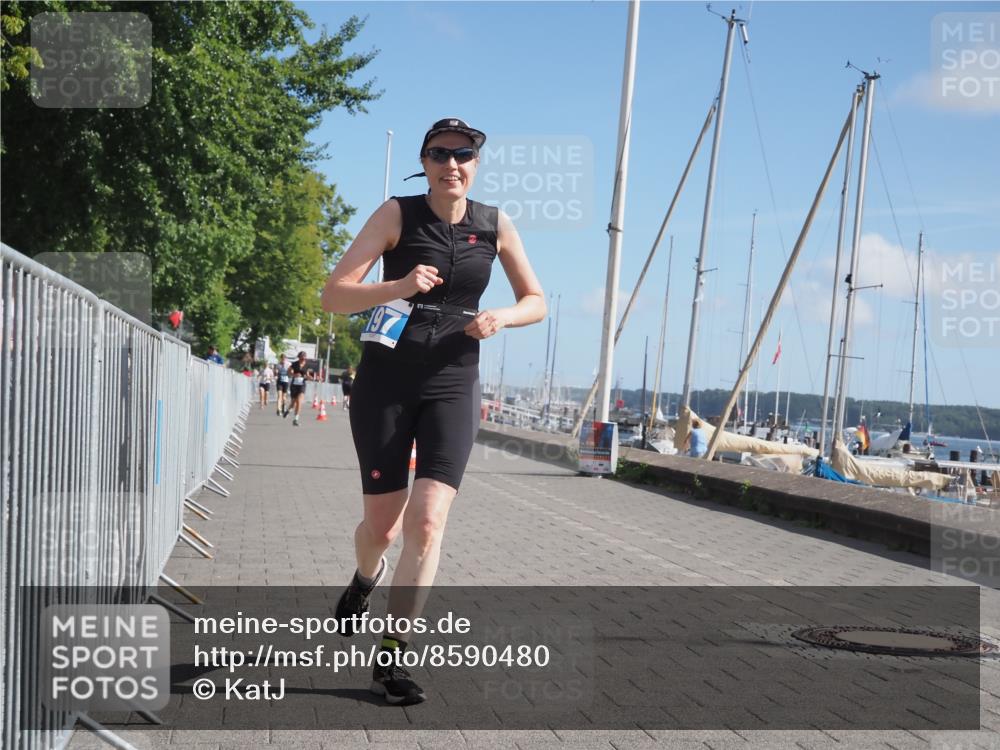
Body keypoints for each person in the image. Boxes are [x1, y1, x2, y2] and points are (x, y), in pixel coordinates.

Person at [321, 117, 545, 705]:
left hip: (453, 381)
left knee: (426, 522)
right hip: (386, 384)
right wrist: (396, 287)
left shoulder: (495, 225)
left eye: (463, 153)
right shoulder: (396, 214)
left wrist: (503, 316)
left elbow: (537, 301)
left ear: (476, 162)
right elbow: (334, 293)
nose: (452, 163)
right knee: (383, 529)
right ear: (423, 162)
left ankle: (391, 661)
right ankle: (364, 579)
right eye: (440, 154)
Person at [287, 351, 312, 426]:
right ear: (299, 358)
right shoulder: (294, 364)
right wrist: (294, 374)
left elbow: (307, 375)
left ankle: (296, 419)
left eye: (304, 358)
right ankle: (288, 410)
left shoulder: (307, 365)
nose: (303, 360)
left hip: (302, 385)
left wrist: (309, 377)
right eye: (301, 358)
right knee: (293, 403)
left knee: (299, 401)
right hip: (294, 385)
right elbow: (288, 372)